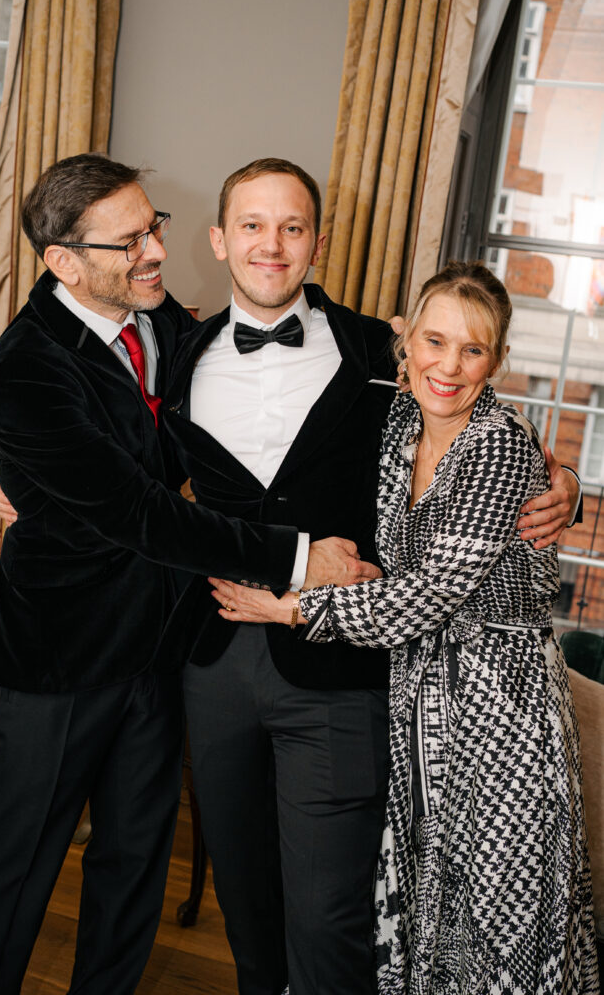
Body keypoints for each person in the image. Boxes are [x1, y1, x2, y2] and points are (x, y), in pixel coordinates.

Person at [0, 160, 580, 995]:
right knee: (246, 906)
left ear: (316, 242)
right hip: (213, 660)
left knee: (329, 916)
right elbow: (117, 468)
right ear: (219, 239)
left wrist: (557, 481)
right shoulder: (174, 344)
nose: (272, 244)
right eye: (253, 226)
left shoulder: (381, 350)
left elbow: (470, 406)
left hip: (340, 669)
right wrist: (29, 490)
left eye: (292, 227)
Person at [0, 153, 371, 995]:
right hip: (56, 661)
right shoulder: (25, 365)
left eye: (153, 226)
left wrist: (557, 483)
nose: (154, 253)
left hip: (162, 651)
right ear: (64, 260)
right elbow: (138, 511)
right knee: (11, 868)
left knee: (133, 865)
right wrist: (295, 555)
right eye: (129, 241)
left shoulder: (169, 327)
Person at [210, 261, 599, 994]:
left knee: (499, 923)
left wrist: (286, 606)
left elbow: (430, 596)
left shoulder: (500, 445)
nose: (447, 366)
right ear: (405, 343)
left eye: (472, 349)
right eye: (434, 341)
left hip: (501, 714)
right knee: (431, 913)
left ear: (497, 360)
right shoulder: (394, 419)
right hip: (418, 702)